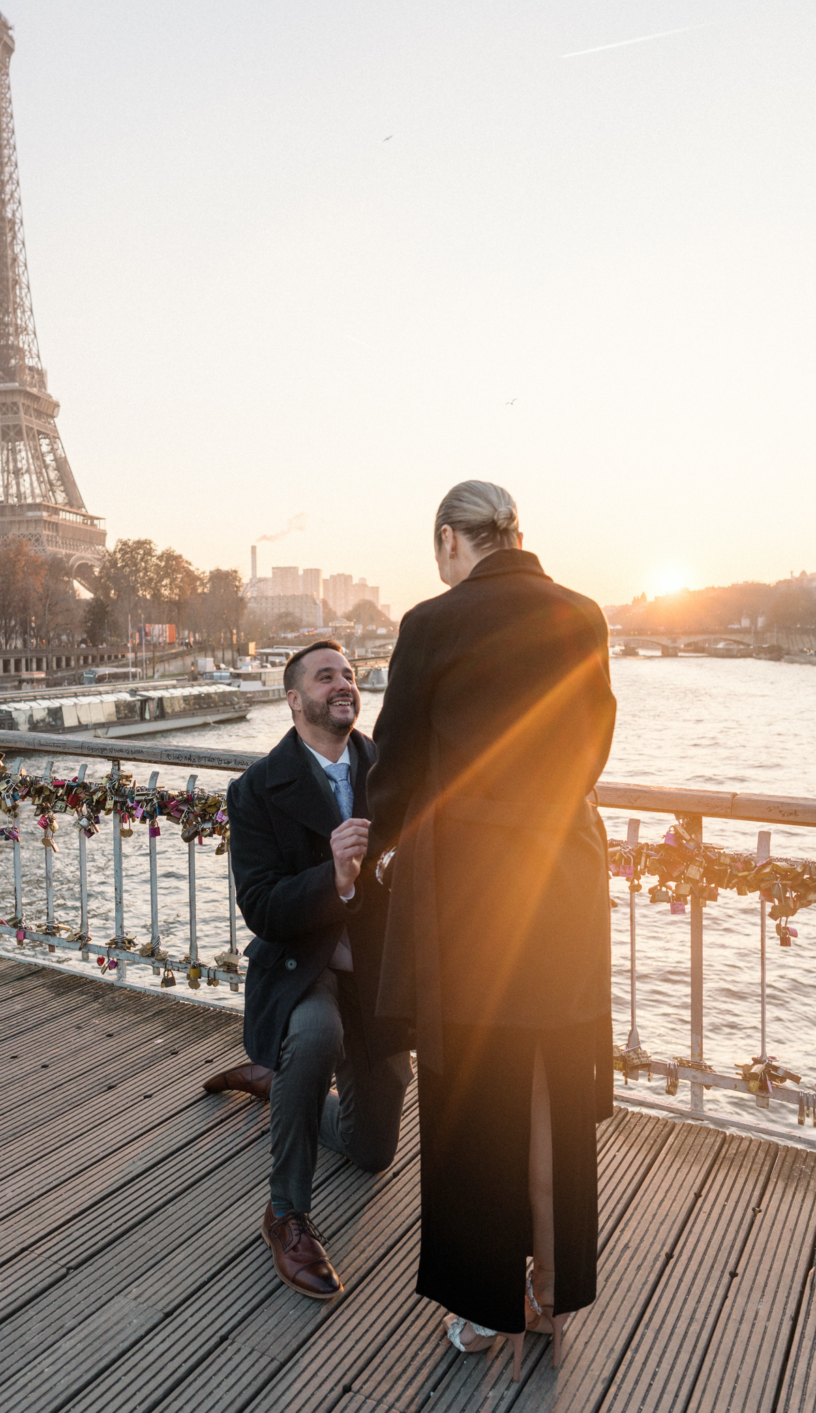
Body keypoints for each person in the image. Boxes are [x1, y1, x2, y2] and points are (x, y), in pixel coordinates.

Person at [367, 480, 616, 1379]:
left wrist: (374, 837)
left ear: (448, 542)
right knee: (551, 1091)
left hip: (471, 900)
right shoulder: (581, 613)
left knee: (473, 1100)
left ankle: (481, 1310)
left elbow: (394, 763)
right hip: (560, 885)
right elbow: (592, 743)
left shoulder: (433, 622)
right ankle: (551, 1294)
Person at [204, 640, 412, 1300]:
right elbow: (261, 907)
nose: (343, 685)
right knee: (316, 1035)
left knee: (372, 1151)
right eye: (325, 678)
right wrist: (335, 878)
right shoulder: (257, 790)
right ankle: (286, 1215)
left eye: (348, 675)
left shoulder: (392, 771)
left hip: (376, 975)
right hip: (304, 968)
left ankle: (279, 1083)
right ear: (293, 698)